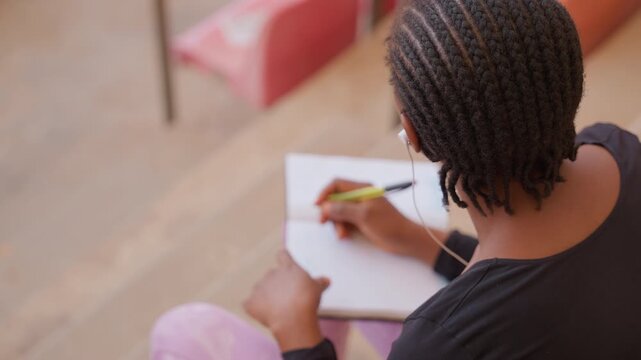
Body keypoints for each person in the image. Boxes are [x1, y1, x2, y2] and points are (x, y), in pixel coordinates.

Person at [150, 0, 641, 359]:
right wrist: (425, 243)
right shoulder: (618, 151)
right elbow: (556, 283)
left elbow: (513, 306)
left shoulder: (439, 341)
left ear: (412, 134)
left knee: (182, 330)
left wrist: (297, 335)